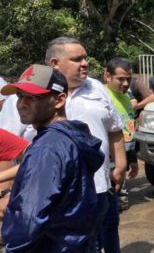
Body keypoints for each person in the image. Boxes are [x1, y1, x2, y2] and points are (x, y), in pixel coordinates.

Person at [1, 64, 105, 252]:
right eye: (20, 96)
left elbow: (29, 219)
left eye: (33, 97)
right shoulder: (69, 137)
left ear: (59, 100)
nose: (22, 103)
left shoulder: (48, 147)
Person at [46, 37, 126, 253]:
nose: (85, 63)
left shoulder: (97, 88)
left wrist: (120, 165)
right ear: (54, 63)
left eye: (85, 58)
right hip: (58, 192)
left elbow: (115, 129)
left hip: (100, 185)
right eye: (76, 59)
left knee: (108, 234)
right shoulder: (38, 94)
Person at [104, 58, 140, 210]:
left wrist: (132, 158)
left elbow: (129, 129)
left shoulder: (126, 98)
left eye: (128, 79)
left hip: (122, 158)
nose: (125, 84)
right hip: (109, 160)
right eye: (120, 79)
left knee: (121, 204)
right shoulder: (103, 97)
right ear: (107, 76)